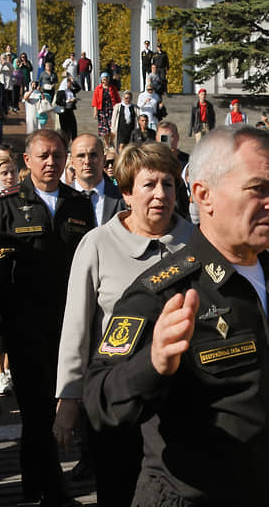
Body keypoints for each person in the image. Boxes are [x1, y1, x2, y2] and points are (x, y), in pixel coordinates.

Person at [83, 126, 269, 506]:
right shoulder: (164, 293)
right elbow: (99, 402)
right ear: (203, 195)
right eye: (259, 189)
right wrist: (153, 364)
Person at [55, 143, 194, 506]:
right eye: (149, 185)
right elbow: (78, 327)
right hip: (119, 402)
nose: (161, 194)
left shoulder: (198, 244)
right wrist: (69, 397)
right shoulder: (97, 244)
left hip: (184, 407)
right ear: (127, 192)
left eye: (168, 184)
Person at [0, 129, 94, 507]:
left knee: (64, 403)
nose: (51, 162)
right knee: (37, 412)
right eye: (43, 155)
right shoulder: (4, 206)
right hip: (25, 324)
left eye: (57, 155)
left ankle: (35, 484)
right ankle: (53, 492)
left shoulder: (80, 205)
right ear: (26, 161)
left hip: (72, 323)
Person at [69, 134, 127, 226]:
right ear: (72, 162)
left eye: (93, 155)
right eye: (81, 156)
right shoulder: (62, 199)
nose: (87, 161)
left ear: (104, 160)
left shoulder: (122, 197)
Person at [92, 72, 121, 149]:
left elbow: (117, 99)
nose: (105, 80)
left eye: (106, 79)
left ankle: (111, 141)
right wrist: (95, 111)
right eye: (103, 79)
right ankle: (106, 145)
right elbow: (95, 100)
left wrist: (119, 109)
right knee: (104, 130)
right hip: (102, 111)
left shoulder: (113, 88)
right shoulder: (98, 89)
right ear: (101, 80)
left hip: (112, 110)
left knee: (113, 128)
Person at [55, 76, 79, 141]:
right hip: (63, 112)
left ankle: (74, 142)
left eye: (71, 83)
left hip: (70, 111)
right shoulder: (61, 92)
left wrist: (73, 80)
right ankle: (65, 144)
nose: (70, 84)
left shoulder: (71, 91)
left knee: (73, 128)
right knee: (64, 129)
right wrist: (67, 101)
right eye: (69, 83)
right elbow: (58, 101)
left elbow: (78, 88)